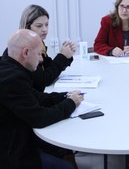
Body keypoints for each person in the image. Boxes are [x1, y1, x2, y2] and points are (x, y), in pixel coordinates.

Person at [0, 29, 84, 169]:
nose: (40, 59)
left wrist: (65, 96)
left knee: (65, 149)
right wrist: (71, 104)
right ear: (26, 53)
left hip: (17, 138)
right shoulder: (12, 79)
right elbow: (40, 118)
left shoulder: (10, 67)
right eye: (39, 54)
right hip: (12, 153)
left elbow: (36, 96)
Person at [2, 4, 76, 92]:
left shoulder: (39, 42)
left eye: (46, 24)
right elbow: (44, 80)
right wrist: (62, 56)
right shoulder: (25, 48)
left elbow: (48, 67)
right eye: (39, 26)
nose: (45, 29)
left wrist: (66, 55)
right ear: (27, 27)